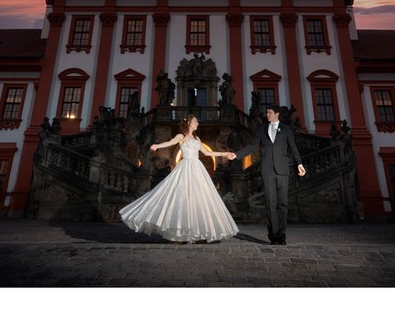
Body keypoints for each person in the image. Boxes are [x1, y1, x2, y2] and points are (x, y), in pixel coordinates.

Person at [120, 115, 238, 243]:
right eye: (195, 121)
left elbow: (208, 153)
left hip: (197, 169)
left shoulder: (197, 138)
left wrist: (225, 153)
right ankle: (180, 232)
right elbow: (169, 143)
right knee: (182, 198)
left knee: (197, 198)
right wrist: (157, 146)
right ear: (189, 123)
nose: (198, 123)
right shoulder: (181, 137)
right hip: (185, 167)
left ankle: (193, 232)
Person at [234, 105, 306, 245]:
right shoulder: (262, 129)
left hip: (282, 170)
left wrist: (299, 164)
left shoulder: (286, 129)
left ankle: (282, 234)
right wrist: (236, 155)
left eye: (269, 112)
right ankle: (273, 235)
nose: (267, 114)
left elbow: (293, 148)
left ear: (277, 114)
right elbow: (253, 146)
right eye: (267, 112)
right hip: (267, 170)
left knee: (283, 204)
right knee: (270, 204)